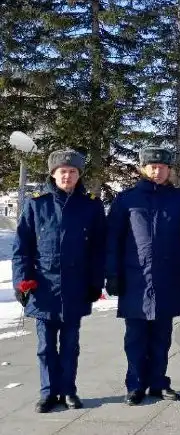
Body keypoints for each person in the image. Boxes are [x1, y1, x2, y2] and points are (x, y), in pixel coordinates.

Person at [105, 147, 180, 405]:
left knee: (162, 336)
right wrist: (111, 273)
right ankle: (135, 385)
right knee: (135, 336)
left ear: (169, 170)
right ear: (143, 168)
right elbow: (112, 239)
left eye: (162, 167)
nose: (157, 171)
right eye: (152, 166)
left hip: (167, 277)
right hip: (134, 278)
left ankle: (159, 382)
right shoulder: (126, 199)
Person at [12, 149, 105, 413]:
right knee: (45, 346)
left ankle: (68, 391)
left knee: (70, 345)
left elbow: (99, 248)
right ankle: (47, 393)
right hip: (43, 288)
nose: (67, 176)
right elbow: (22, 248)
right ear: (53, 174)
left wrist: (95, 282)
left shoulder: (91, 205)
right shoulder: (36, 204)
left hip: (76, 287)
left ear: (79, 175)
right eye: (63, 172)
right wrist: (22, 281)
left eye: (72, 172)